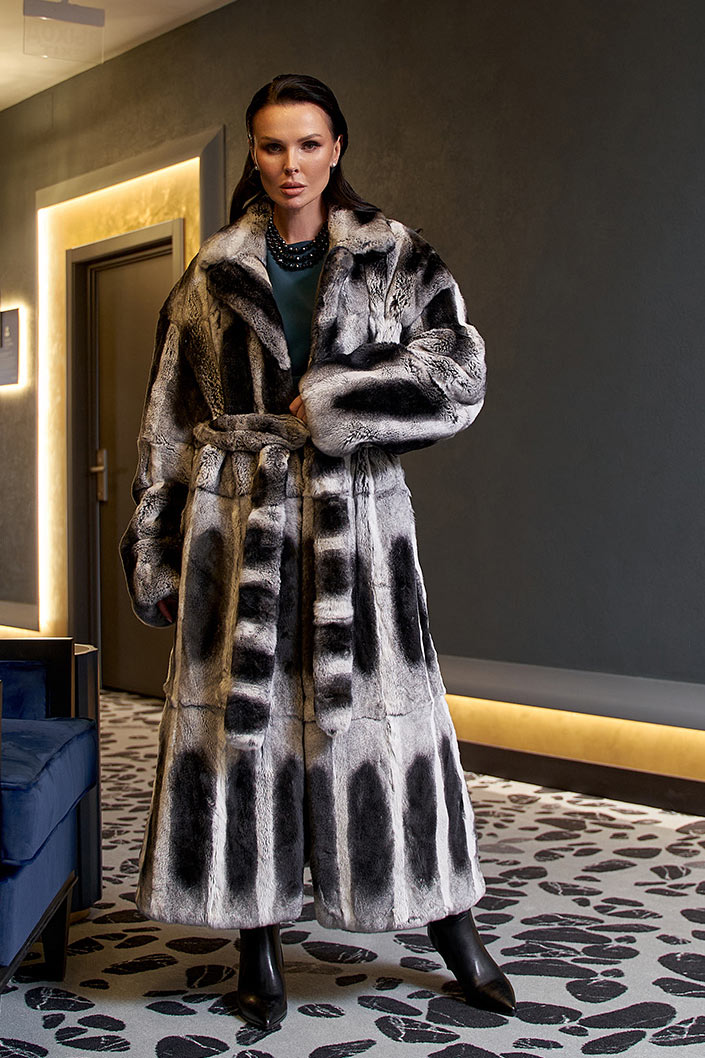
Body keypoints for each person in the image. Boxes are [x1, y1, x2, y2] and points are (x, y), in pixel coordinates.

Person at [120, 72, 515, 1031]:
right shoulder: (210, 274)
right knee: (244, 735)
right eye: (271, 146)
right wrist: (158, 549)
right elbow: (168, 423)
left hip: (356, 530)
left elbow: (458, 377)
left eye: (307, 144)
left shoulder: (395, 256)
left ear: (336, 148)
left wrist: (340, 402)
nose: (289, 164)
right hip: (237, 525)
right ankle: (257, 950)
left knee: (383, 730)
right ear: (253, 155)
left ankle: (454, 933)